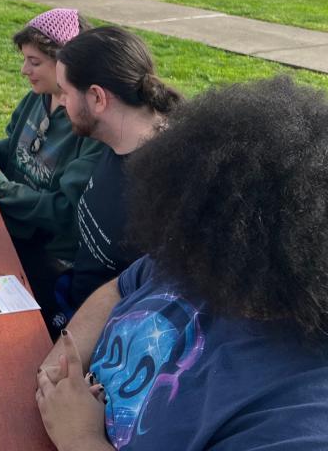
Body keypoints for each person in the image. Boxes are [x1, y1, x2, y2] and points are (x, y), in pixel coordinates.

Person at [36, 76, 328, 450]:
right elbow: (119, 288)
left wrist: (80, 436)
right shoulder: (203, 253)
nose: (179, 257)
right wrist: (57, 367)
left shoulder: (300, 416)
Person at [0, 9, 102, 325]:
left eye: (34, 62)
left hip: (44, 255)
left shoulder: (88, 126)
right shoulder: (38, 97)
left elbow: (63, 213)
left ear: (65, 63)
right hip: (5, 224)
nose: (23, 70)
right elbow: (13, 149)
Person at [48, 26, 182, 336]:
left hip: (98, 349)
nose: (61, 102)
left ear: (97, 97)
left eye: (65, 93)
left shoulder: (164, 187)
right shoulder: (112, 141)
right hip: (70, 304)